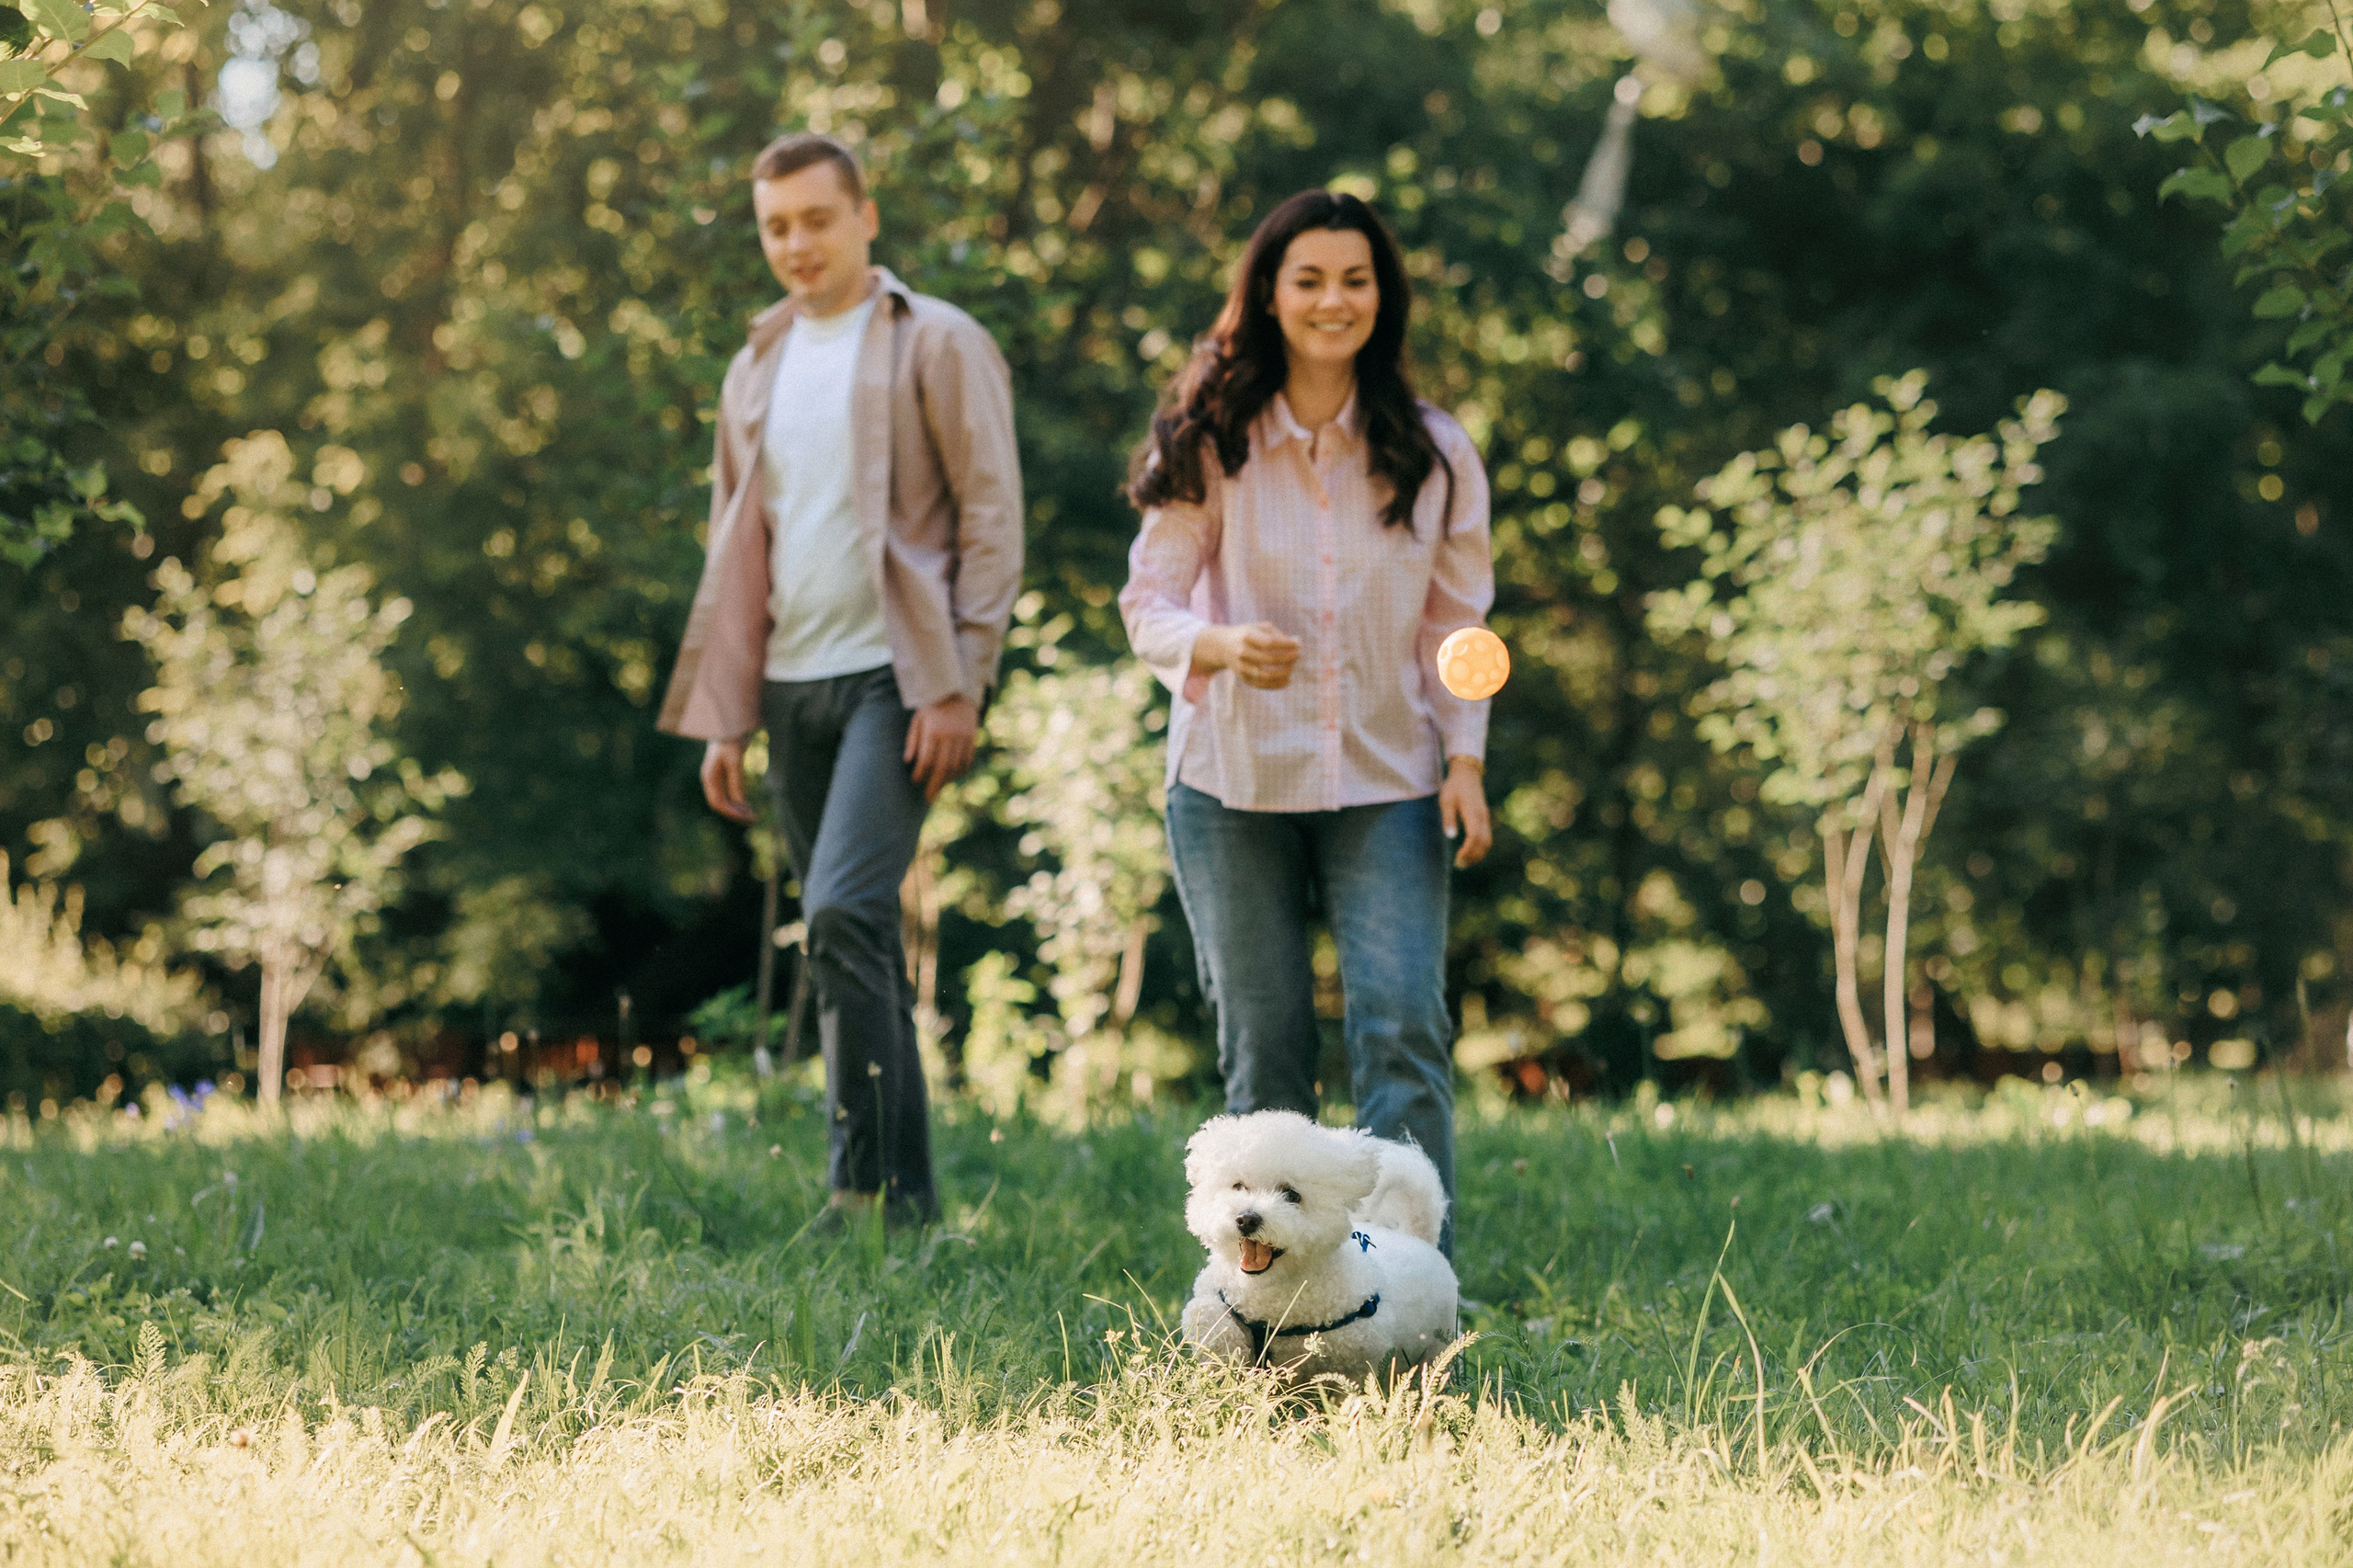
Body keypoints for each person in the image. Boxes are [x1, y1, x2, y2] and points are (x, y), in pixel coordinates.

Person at [659, 131, 1023, 1227]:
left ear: (865, 216)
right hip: (787, 684)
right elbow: (736, 547)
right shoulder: (755, 363)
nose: (796, 243)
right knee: (846, 938)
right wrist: (727, 714)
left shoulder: (938, 343)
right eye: (776, 225)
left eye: (817, 218)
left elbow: (992, 520)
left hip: (893, 682)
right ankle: (906, 1202)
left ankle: (855, 1187)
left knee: (841, 912)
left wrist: (959, 682)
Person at [1120, 189, 1494, 1254]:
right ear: (1271, 296)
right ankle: (1270, 1313)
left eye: (1355, 279)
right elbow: (1146, 601)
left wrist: (1463, 757)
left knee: (1403, 1029)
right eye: (1310, 279)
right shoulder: (1210, 435)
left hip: (1391, 779)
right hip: (1230, 782)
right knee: (1266, 1053)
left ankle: (1409, 1294)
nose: (1334, 300)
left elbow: (1457, 625)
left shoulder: (1432, 450)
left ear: (1384, 297)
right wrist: (1219, 644)